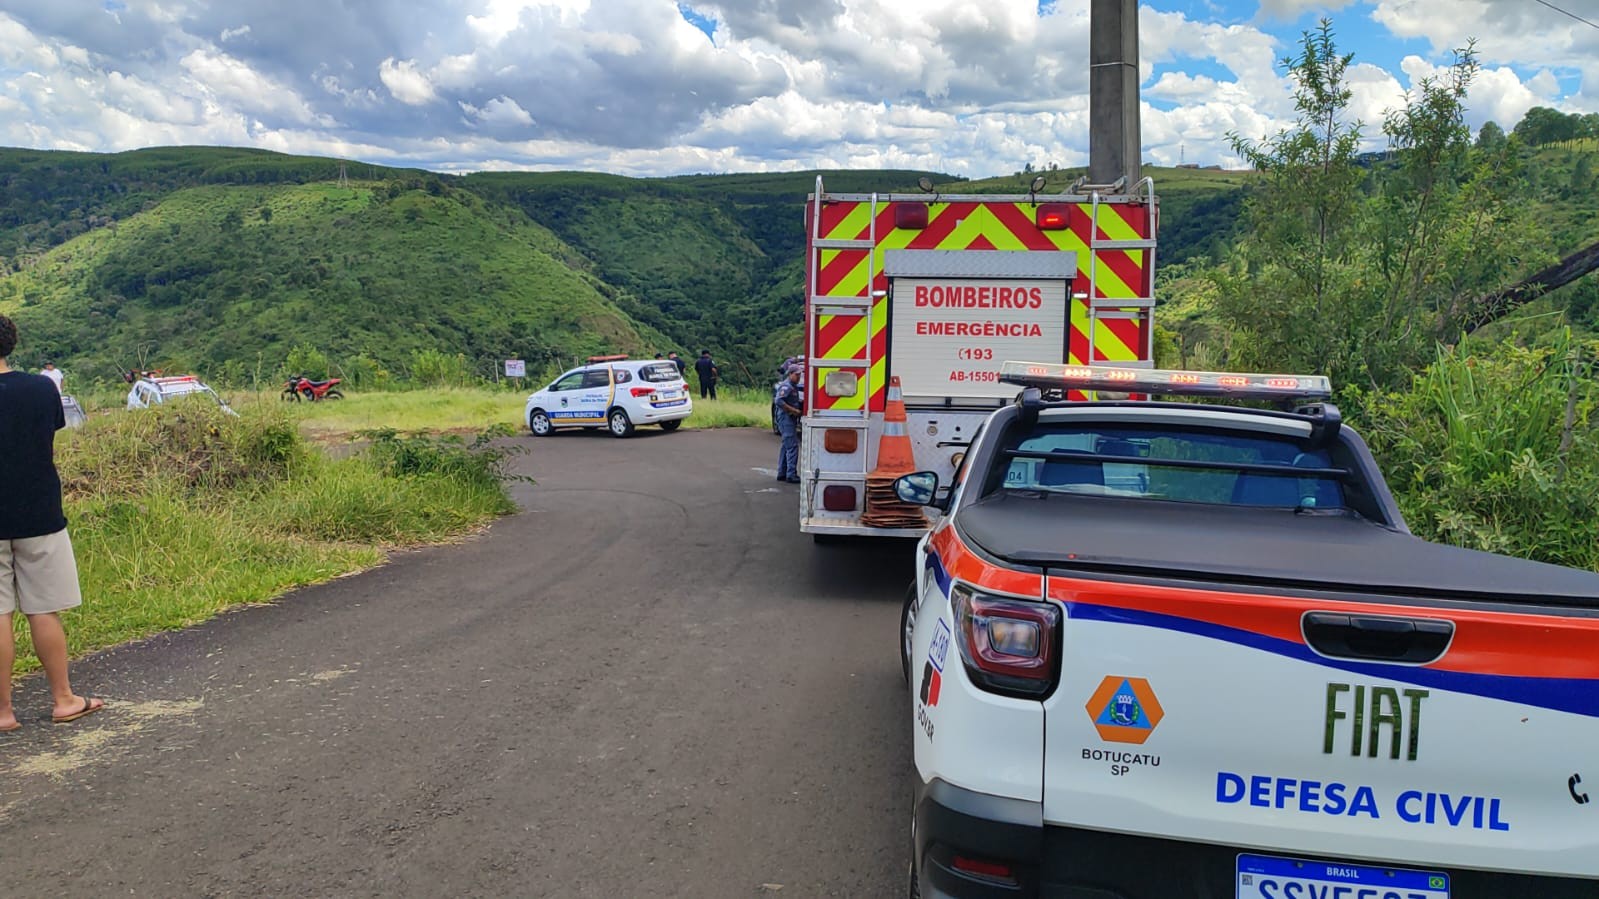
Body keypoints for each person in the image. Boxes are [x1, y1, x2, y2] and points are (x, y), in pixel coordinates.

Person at [0, 315, 104, 732]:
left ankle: (4, 712)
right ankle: (63, 699)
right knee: (43, 609)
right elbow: (50, 433)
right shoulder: (42, 388)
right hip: (39, 512)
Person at [774, 368, 803, 483]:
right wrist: (794, 410)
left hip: (788, 419)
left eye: (800, 375)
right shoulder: (787, 386)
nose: (799, 377)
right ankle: (791, 474)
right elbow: (779, 401)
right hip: (786, 419)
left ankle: (782, 472)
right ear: (790, 374)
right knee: (792, 446)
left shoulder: (793, 386)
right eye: (796, 375)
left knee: (786, 445)